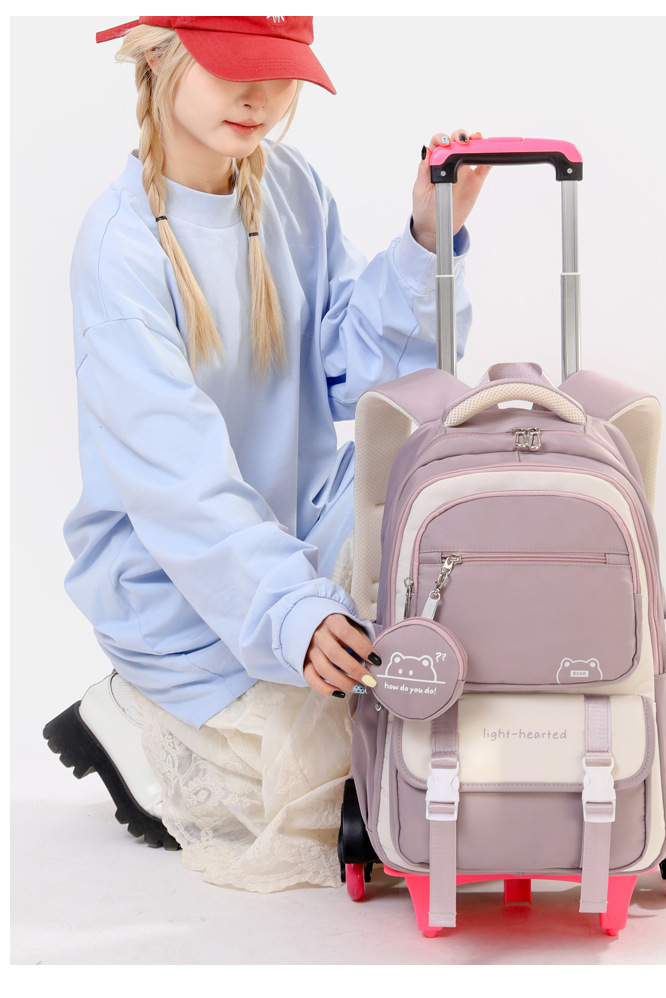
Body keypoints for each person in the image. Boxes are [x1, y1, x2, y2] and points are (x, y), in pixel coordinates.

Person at [43, 15, 490, 893]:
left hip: (298, 536)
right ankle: (136, 709)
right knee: (347, 797)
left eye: (279, 73)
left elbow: (358, 379)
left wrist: (426, 236)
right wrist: (293, 614)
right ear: (160, 59)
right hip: (179, 582)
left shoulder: (289, 188)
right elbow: (181, 486)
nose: (258, 97)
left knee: (439, 729)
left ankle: (274, 667)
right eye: (230, 67)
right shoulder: (119, 251)